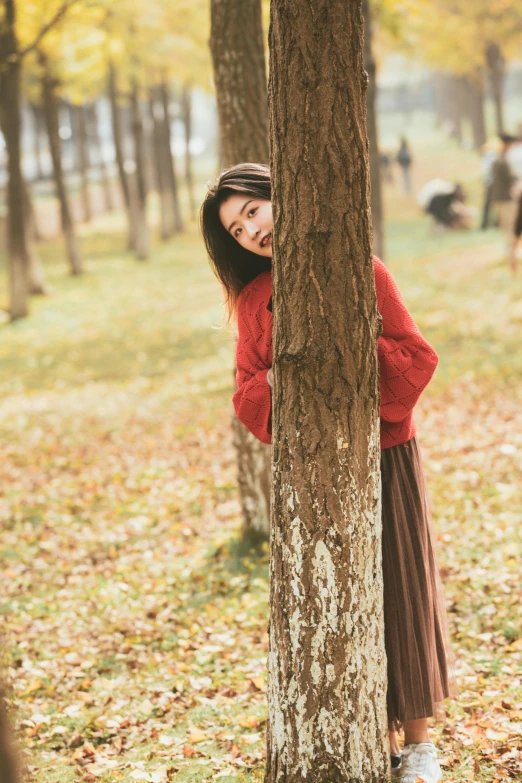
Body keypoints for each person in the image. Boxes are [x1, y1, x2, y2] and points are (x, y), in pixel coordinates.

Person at [201, 163, 458, 783]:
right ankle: (360, 729)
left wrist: (340, 355)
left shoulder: (359, 268)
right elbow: (245, 396)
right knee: (338, 600)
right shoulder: (254, 300)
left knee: (400, 585)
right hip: (310, 472)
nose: (253, 230)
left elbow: (416, 357)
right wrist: (277, 382)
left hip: (385, 451)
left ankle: (418, 746)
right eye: (238, 229)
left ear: (281, 194)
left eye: (255, 210)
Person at [490, 133, 518, 255]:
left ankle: (509, 248)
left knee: (506, 225)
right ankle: (511, 250)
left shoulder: (496, 161)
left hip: (499, 197)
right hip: (506, 197)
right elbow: (511, 178)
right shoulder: (502, 162)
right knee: (511, 225)